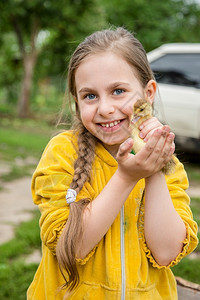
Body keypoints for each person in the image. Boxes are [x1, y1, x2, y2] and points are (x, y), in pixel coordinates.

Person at [27, 27, 198, 300]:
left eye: (118, 91)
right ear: (77, 101)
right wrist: (126, 178)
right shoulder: (62, 152)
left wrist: (153, 172)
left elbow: (166, 253)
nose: (105, 108)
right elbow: (70, 249)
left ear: (148, 92)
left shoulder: (168, 163)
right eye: (90, 96)